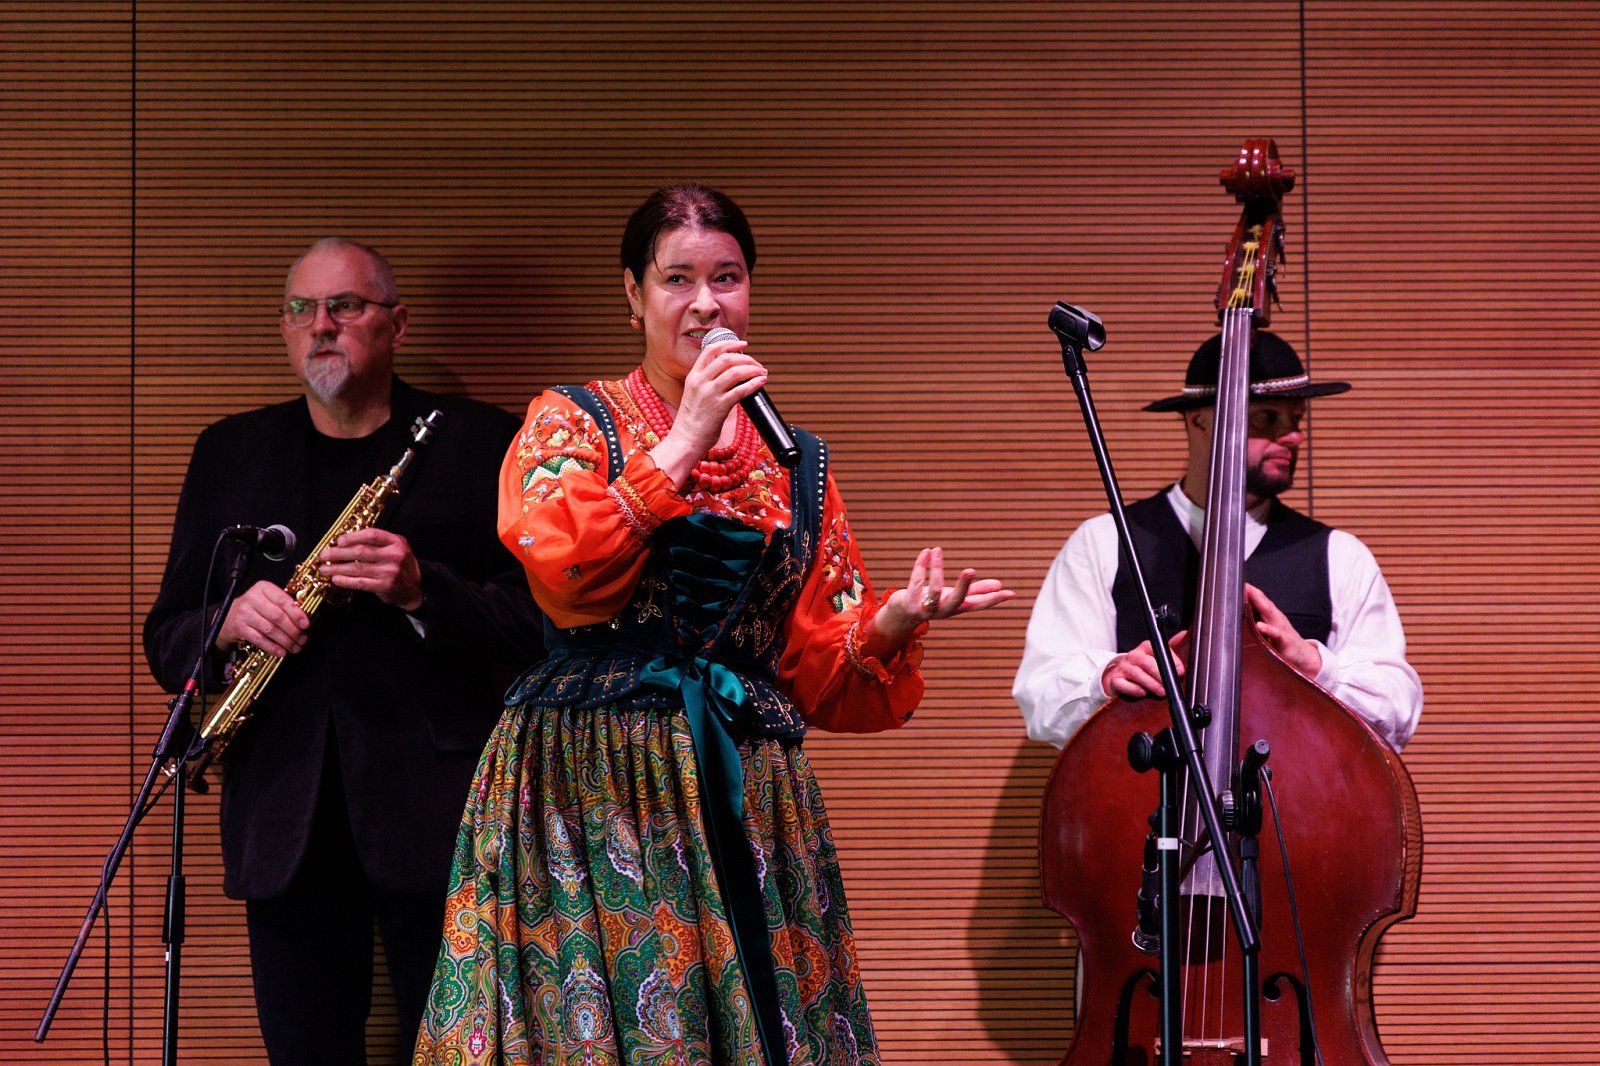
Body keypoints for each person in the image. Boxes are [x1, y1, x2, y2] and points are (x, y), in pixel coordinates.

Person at [412, 184, 1013, 1066]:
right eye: (678, 279)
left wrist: (889, 623)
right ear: (633, 295)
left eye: (726, 278)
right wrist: (685, 436)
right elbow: (560, 563)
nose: (705, 303)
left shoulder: (795, 459)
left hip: (745, 781)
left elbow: (815, 670)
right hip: (593, 778)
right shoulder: (572, 420)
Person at [143, 237, 546, 1064]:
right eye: (302, 309)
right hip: (282, 819)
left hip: (440, 817)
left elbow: (542, 626)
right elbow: (166, 639)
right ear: (284, 328)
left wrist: (424, 589)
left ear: (397, 325)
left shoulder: (483, 443)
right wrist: (228, 620)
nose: (321, 325)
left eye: (345, 306)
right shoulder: (229, 452)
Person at [1013, 330, 1421, 752]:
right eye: (1266, 418)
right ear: (1200, 421)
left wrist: (1317, 666)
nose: (1294, 437)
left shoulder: (1342, 555)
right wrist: (1105, 678)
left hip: (1300, 793)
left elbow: (1397, 711)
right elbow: (1040, 694)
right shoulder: (1103, 541)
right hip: (1136, 791)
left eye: (1296, 419)